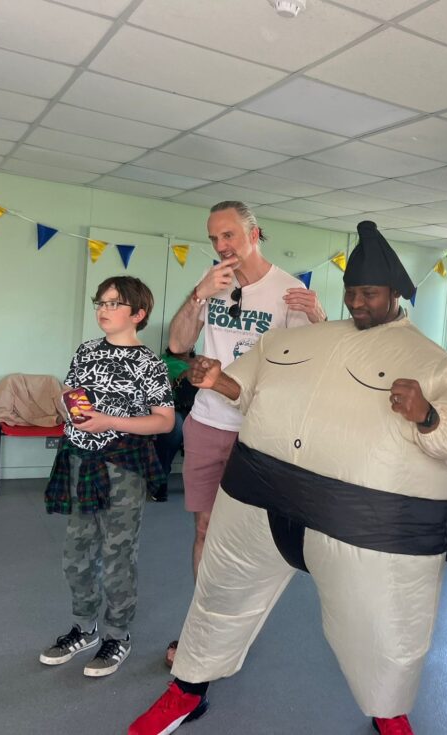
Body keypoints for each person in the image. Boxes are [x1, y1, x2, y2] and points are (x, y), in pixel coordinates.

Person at [128, 221, 447, 735]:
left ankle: (390, 714)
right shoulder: (294, 341)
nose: (358, 303)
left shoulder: (438, 365)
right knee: (219, 598)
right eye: (352, 292)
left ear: (396, 292)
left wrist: (427, 415)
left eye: (370, 293)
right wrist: (217, 381)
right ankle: (187, 689)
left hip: (362, 526)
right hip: (257, 500)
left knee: (380, 630)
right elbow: (248, 389)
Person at [163, 200, 324, 665]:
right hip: (207, 423)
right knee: (204, 528)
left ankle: (234, 628)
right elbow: (177, 343)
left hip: (257, 432)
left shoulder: (289, 290)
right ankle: (204, 631)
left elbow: (310, 362)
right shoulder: (213, 283)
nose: (221, 246)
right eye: (214, 238)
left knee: (251, 539)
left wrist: (319, 317)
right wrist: (198, 295)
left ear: (254, 234)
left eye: (228, 235)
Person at [39, 276, 175, 677]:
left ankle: (118, 635)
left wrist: (108, 421)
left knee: (117, 554)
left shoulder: (149, 363)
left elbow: (164, 421)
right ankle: (84, 628)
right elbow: (69, 393)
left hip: (123, 466)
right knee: (76, 554)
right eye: (100, 302)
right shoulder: (86, 351)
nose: (103, 309)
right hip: (80, 462)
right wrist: (69, 407)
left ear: (138, 313)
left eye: (114, 303)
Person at [150, 348, 198, 502]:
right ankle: (160, 480)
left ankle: (200, 484)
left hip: (198, 409)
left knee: (206, 429)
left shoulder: (199, 361)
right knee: (174, 426)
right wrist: (179, 379)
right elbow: (154, 391)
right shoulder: (161, 362)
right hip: (173, 407)